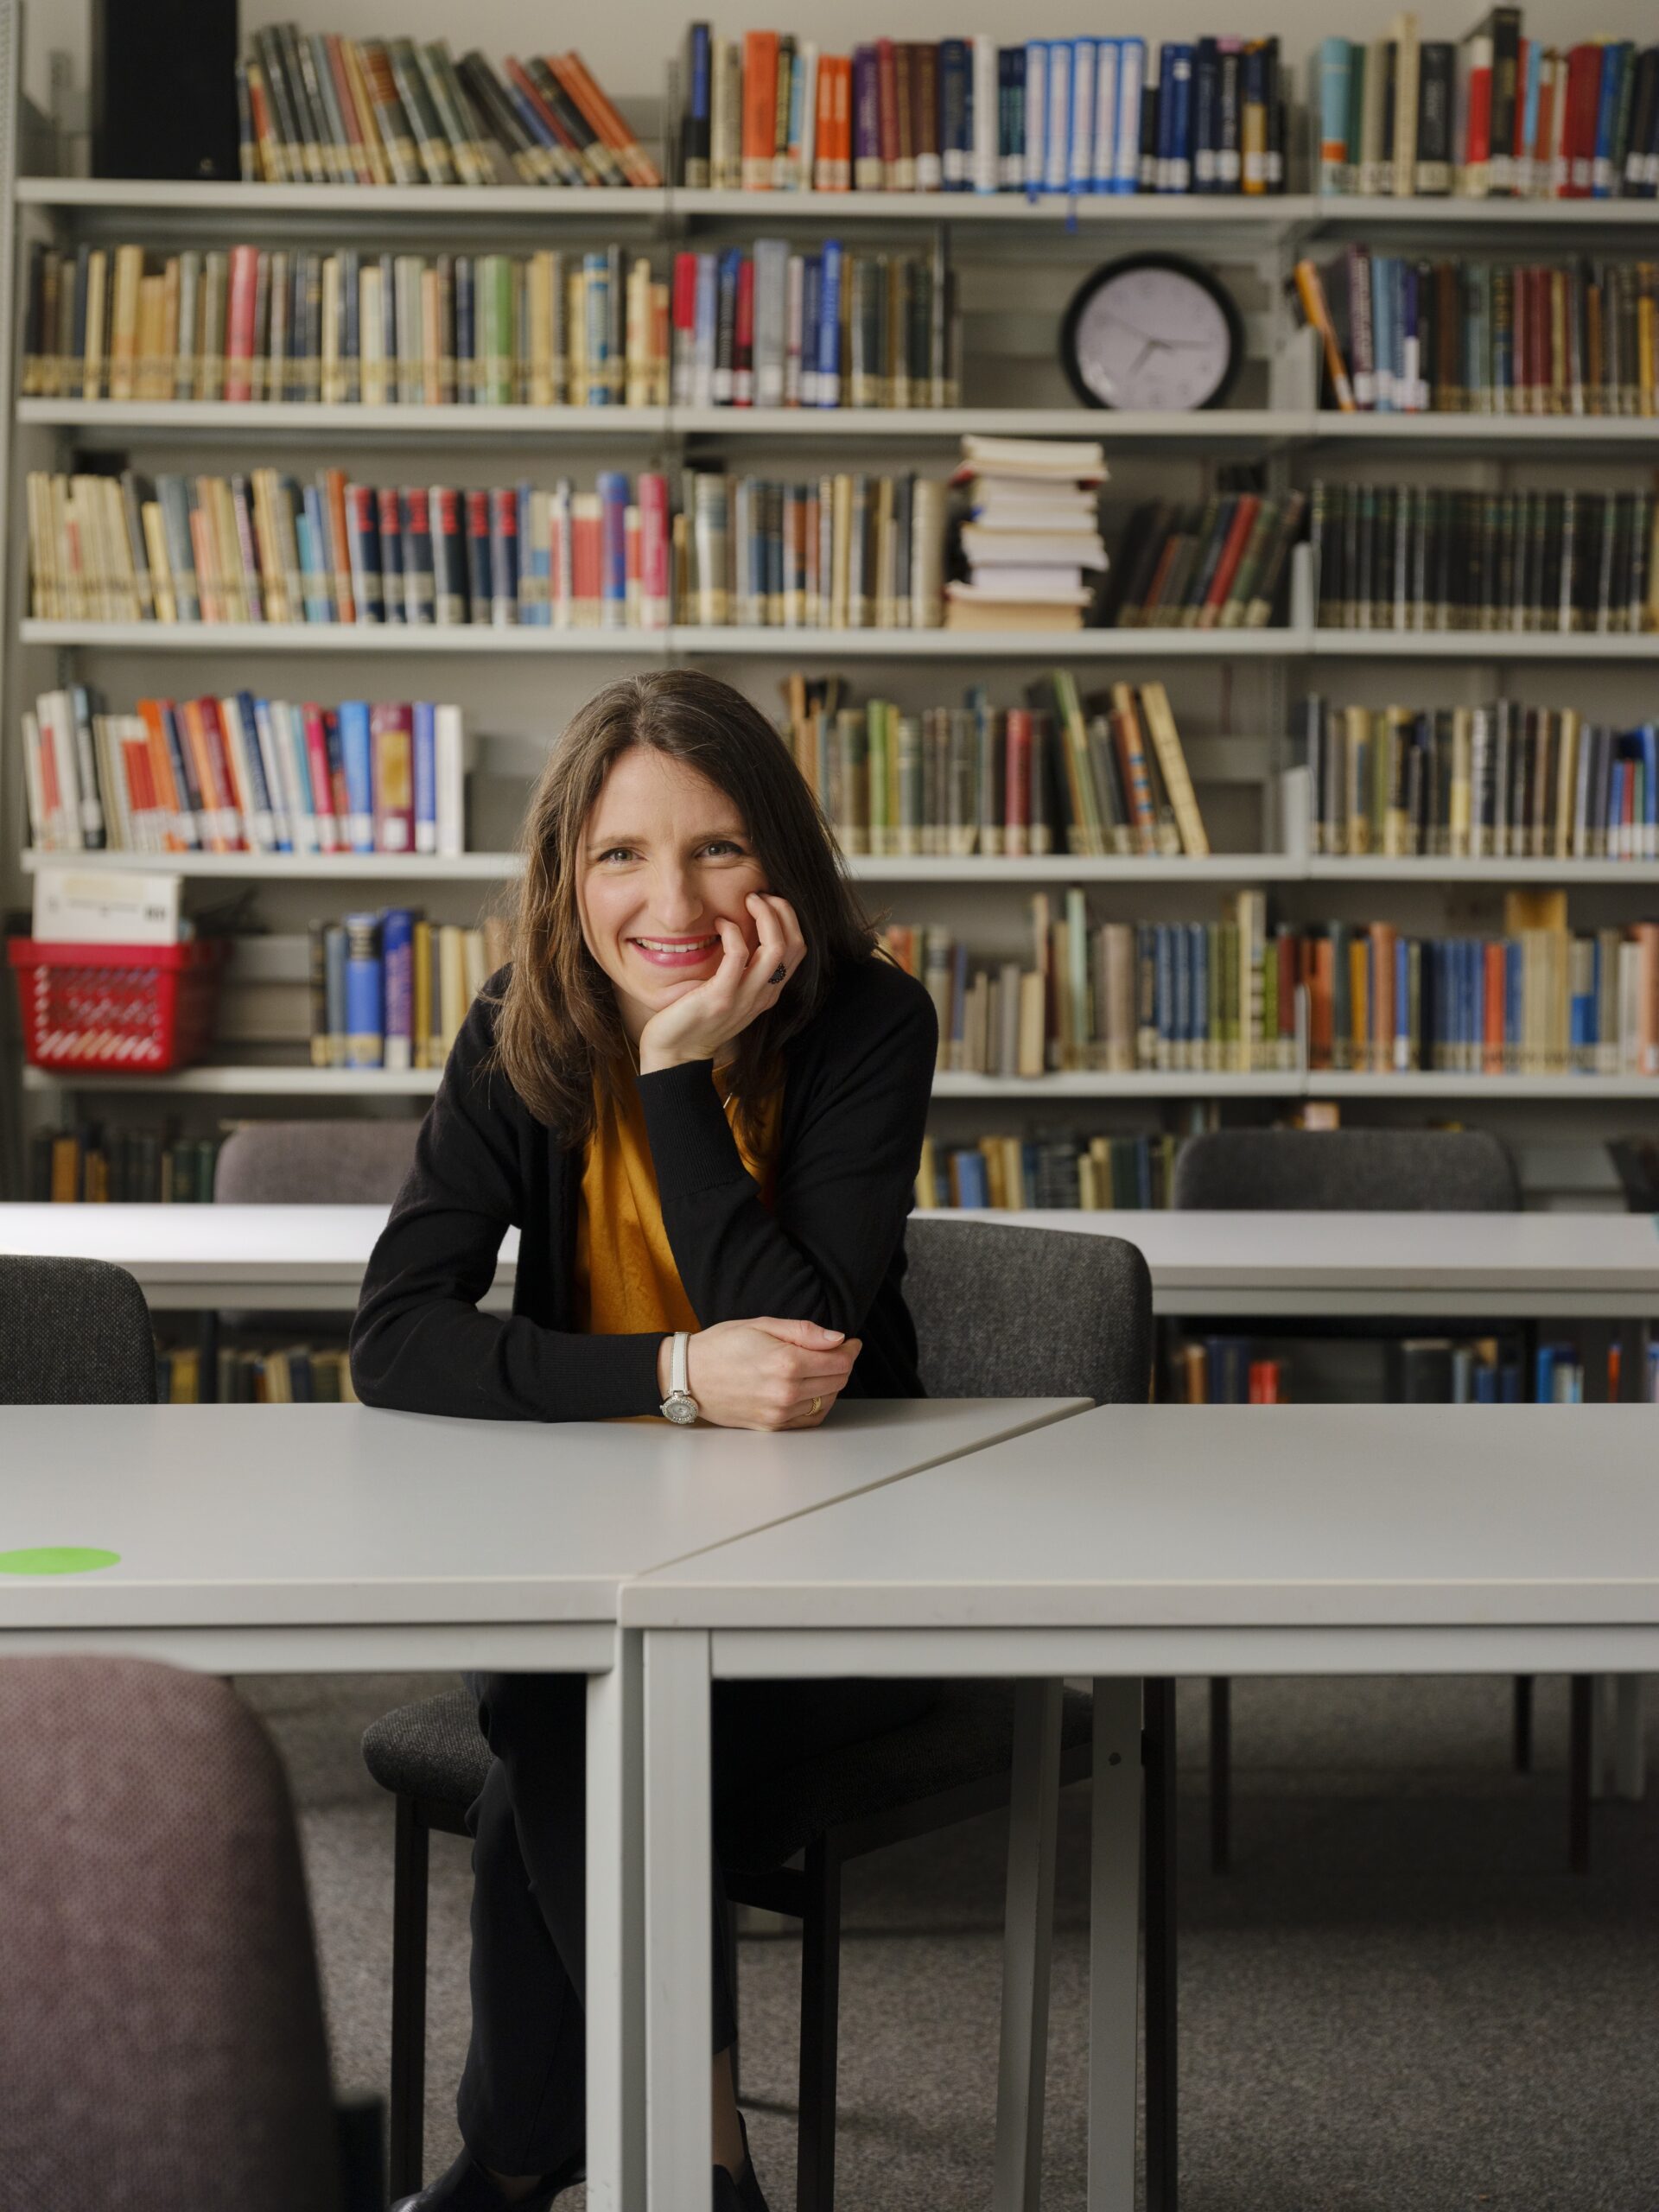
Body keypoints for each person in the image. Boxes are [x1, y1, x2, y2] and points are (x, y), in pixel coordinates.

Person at [351, 669, 939, 2212]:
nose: (668, 897)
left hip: (848, 1577)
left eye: (719, 849)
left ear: (783, 866)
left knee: (555, 1737)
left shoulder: (870, 1015)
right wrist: (675, 1372)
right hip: (591, 1564)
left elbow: (807, 1339)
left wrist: (678, 1070)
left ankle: (520, 2159)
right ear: (568, 872)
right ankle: (694, 2162)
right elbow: (395, 1334)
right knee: (573, 1706)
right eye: (622, 855)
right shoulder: (519, 1024)